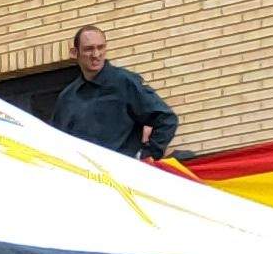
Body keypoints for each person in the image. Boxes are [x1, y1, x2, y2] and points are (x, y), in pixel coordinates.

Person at [43, 25, 176, 161]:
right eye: (89, 49)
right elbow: (56, 141)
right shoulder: (67, 98)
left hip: (122, 175)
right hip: (84, 177)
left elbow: (166, 119)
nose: (96, 55)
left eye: (100, 47)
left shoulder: (124, 82)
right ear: (74, 52)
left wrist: (146, 156)